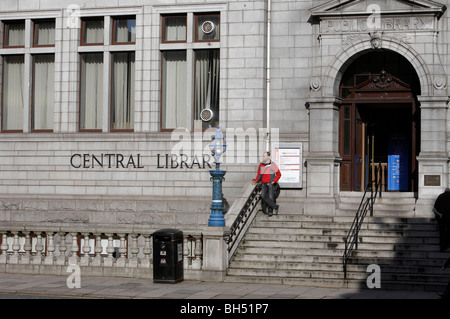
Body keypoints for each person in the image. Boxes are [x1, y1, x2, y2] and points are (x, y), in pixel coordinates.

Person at [252, 151, 281, 217]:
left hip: (271, 184)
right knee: (263, 196)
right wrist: (255, 181)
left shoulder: (273, 165)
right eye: (263, 156)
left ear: (268, 157)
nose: (263, 157)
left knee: (271, 197)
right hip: (264, 183)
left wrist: (274, 181)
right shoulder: (261, 165)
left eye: (264, 156)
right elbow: (259, 175)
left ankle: (270, 211)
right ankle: (275, 206)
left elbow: (279, 174)